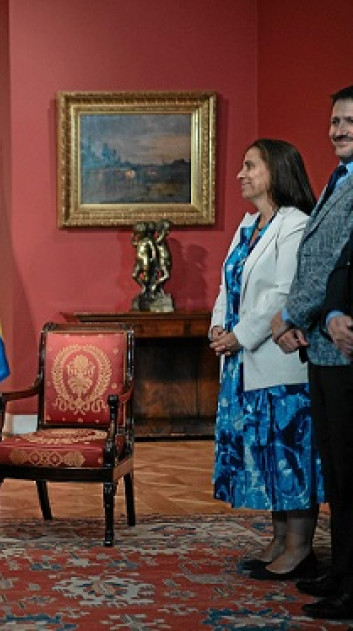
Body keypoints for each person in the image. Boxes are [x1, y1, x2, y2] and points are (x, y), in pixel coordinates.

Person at [209, 139, 322, 582]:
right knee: (266, 453)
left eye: (250, 166)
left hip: (277, 359)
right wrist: (218, 328)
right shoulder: (248, 225)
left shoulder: (296, 224)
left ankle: (300, 549)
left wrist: (239, 336)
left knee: (290, 452)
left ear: (276, 171)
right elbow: (228, 285)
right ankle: (278, 540)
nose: (241, 174)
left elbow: (283, 291)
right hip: (241, 362)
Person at [272, 85, 353, 620]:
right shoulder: (338, 178)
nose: (338, 130)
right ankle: (342, 572)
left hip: (343, 345)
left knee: (349, 472)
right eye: (334, 121)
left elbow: (336, 265)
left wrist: (294, 317)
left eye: (349, 121)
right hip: (323, 349)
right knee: (337, 474)